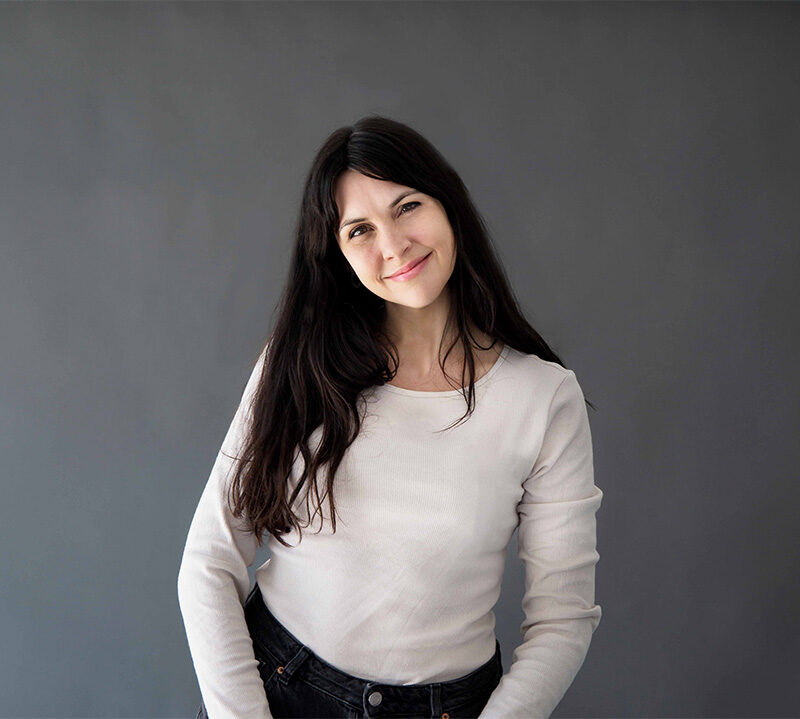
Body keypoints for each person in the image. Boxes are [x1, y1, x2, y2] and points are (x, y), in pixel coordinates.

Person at [177, 115, 603, 719]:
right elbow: (209, 562)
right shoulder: (298, 365)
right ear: (337, 254)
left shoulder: (543, 398)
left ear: (448, 203)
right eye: (359, 230)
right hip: (277, 691)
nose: (394, 244)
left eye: (407, 206)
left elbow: (563, 619)